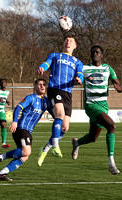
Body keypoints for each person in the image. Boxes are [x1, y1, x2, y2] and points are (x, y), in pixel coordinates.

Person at [72, 45, 122, 175]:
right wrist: (76, 80)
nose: (94, 53)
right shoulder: (84, 68)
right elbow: (75, 80)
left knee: (93, 137)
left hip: (103, 106)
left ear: (102, 55)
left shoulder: (107, 68)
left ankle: (77, 143)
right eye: (92, 52)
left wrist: (119, 88)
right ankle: (111, 163)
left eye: (97, 52)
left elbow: (119, 85)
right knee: (111, 126)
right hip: (91, 105)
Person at [0, 79, 53, 181]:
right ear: (35, 87)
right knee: (26, 152)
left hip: (28, 131)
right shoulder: (30, 98)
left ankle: (2, 173)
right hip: (21, 128)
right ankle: (1, 157)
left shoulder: (46, 102)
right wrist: (15, 121)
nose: (42, 86)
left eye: (44, 85)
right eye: (40, 84)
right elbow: (18, 108)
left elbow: (55, 114)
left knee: (24, 156)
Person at [37, 34, 83, 166]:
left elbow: (80, 73)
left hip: (67, 93)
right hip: (54, 89)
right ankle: (56, 146)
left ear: (75, 46)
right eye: (66, 40)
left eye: (71, 41)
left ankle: (45, 149)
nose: (68, 42)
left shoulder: (77, 62)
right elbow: (46, 63)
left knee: (65, 127)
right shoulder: (55, 55)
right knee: (60, 115)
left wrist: (79, 79)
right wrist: (42, 67)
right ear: (63, 44)